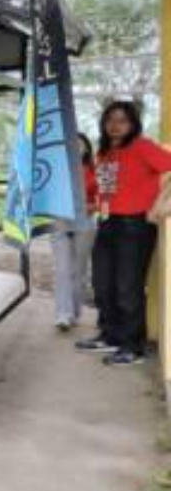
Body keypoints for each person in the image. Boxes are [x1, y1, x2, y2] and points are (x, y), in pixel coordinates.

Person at [76, 101, 171, 366]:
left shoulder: (142, 146)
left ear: (133, 124)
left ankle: (133, 346)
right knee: (102, 283)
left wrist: (161, 206)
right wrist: (92, 205)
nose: (115, 125)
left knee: (127, 287)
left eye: (122, 120)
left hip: (135, 226)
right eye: (110, 120)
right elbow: (112, 192)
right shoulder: (104, 153)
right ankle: (110, 336)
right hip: (107, 222)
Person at [50, 133, 97, 332]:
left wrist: (92, 206)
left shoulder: (95, 169)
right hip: (60, 221)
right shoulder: (56, 169)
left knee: (79, 270)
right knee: (62, 269)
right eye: (71, 144)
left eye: (80, 144)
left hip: (85, 221)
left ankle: (75, 312)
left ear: (87, 148)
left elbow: (102, 196)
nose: (76, 148)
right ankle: (63, 314)